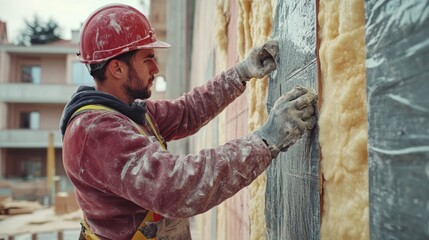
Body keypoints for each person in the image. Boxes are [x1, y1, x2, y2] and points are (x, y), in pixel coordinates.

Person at [60, 3, 317, 240]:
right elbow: (176, 187)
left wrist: (240, 73)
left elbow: (186, 112)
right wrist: (266, 140)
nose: (155, 68)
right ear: (117, 69)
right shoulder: (94, 133)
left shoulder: (127, 112)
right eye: (147, 58)